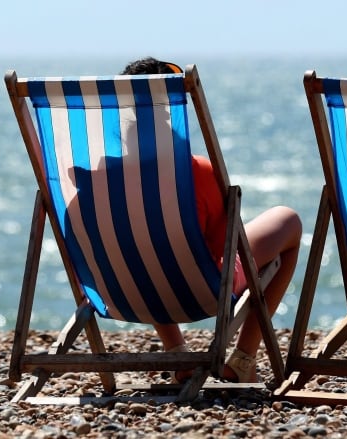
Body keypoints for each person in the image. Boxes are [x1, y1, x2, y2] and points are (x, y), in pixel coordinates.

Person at [121, 57, 303, 383]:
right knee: (288, 220)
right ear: (172, 108)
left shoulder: (100, 181)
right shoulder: (198, 172)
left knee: (146, 255)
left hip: (128, 290)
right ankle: (244, 358)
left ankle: (178, 352)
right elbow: (226, 247)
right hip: (201, 290)